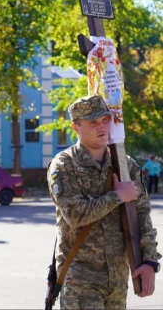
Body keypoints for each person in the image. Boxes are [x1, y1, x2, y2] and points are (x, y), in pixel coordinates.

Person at [47, 95, 161, 308]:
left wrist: (150, 262)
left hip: (118, 277)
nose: (101, 127)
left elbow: (142, 214)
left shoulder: (125, 165)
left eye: (105, 120)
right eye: (93, 123)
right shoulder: (63, 165)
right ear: (76, 127)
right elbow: (75, 215)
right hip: (80, 277)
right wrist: (117, 196)